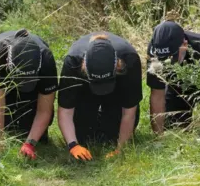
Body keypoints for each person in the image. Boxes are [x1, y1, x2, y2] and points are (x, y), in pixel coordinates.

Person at [58, 32, 142, 161]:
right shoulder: (73, 61)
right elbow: (65, 110)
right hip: (85, 88)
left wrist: (121, 148)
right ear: (84, 67)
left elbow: (129, 112)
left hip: (116, 88)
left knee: (112, 136)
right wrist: (73, 145)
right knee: (83, 136)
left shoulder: (129, 59)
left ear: (118, 66)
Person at [0, 29, 58, 160]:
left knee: (33, 134)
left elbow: (44, 110)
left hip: (34, 73)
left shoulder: (46, 61)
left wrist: (30, 143)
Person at [147, 20, 200, 139]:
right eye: (165, 59)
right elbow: (157, 94)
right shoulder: (155, 52)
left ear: (185, 44)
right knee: (173, 129)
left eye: (173, 58)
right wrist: (158, 135)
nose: (169, 63)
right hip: (178, 87)